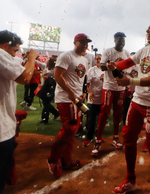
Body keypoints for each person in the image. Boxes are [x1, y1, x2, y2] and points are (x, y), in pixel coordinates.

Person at [111, 21, 150, 194]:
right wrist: (114, 65)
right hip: (137, 101)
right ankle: (130, 180)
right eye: (147, 28)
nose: (147, 30)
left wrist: (130, 81)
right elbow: (127, 62)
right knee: (128, 138)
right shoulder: (144, 50)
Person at [0, 30, 38, 194]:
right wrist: (32, 57)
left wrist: (28, 61)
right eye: (14, 50)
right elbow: (25, 78)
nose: (16, 54)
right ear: (5, 45)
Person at [47, 33, 90, 178]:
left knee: (73, 130)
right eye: (82, 42)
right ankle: (53, 160)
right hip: (66, 98)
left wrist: (82, 93)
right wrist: (70, 92)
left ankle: (66, 160)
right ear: (75, 42)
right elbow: (58, 76)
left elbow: (79, 79)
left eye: (86, 42)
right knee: (69, 129)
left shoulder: (84, 59)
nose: (85, 44)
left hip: (76, 99)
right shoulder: (67, 56)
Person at [91, 32, 130, 156]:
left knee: (118, 114)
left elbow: (128, 70)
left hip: (120, 88)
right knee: (104, 113)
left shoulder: (127, 53)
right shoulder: (108, 51)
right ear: (115, 40)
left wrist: (116, 67)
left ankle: (115, 138)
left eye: (123, 40)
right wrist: (108, 66)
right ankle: (98, 141)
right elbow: (102, 67)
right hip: (108, 86)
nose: (121, 42)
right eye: (119, 40)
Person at [82, 54, 103, 147]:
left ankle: (99, 136)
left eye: (101, 59)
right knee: (92, 119)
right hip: (94, 99)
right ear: (95, 60)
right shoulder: (92, 70)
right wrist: (90, 92)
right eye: (98, 59)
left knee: (101, 119)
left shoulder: (106, 70)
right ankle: (89, 137)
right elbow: (87, 85)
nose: (99, 60)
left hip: (103, 98)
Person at [37, 56, 59, 125]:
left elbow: (57, 79)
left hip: (50, 87)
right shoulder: (45, 67)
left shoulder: (55, 70)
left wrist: (49, 78)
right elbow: (38, 63)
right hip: (44, 86)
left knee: (46, 103)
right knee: (45, 102)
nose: (47, 62)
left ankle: (45, 118)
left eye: (49, 61)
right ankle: (55, 113)